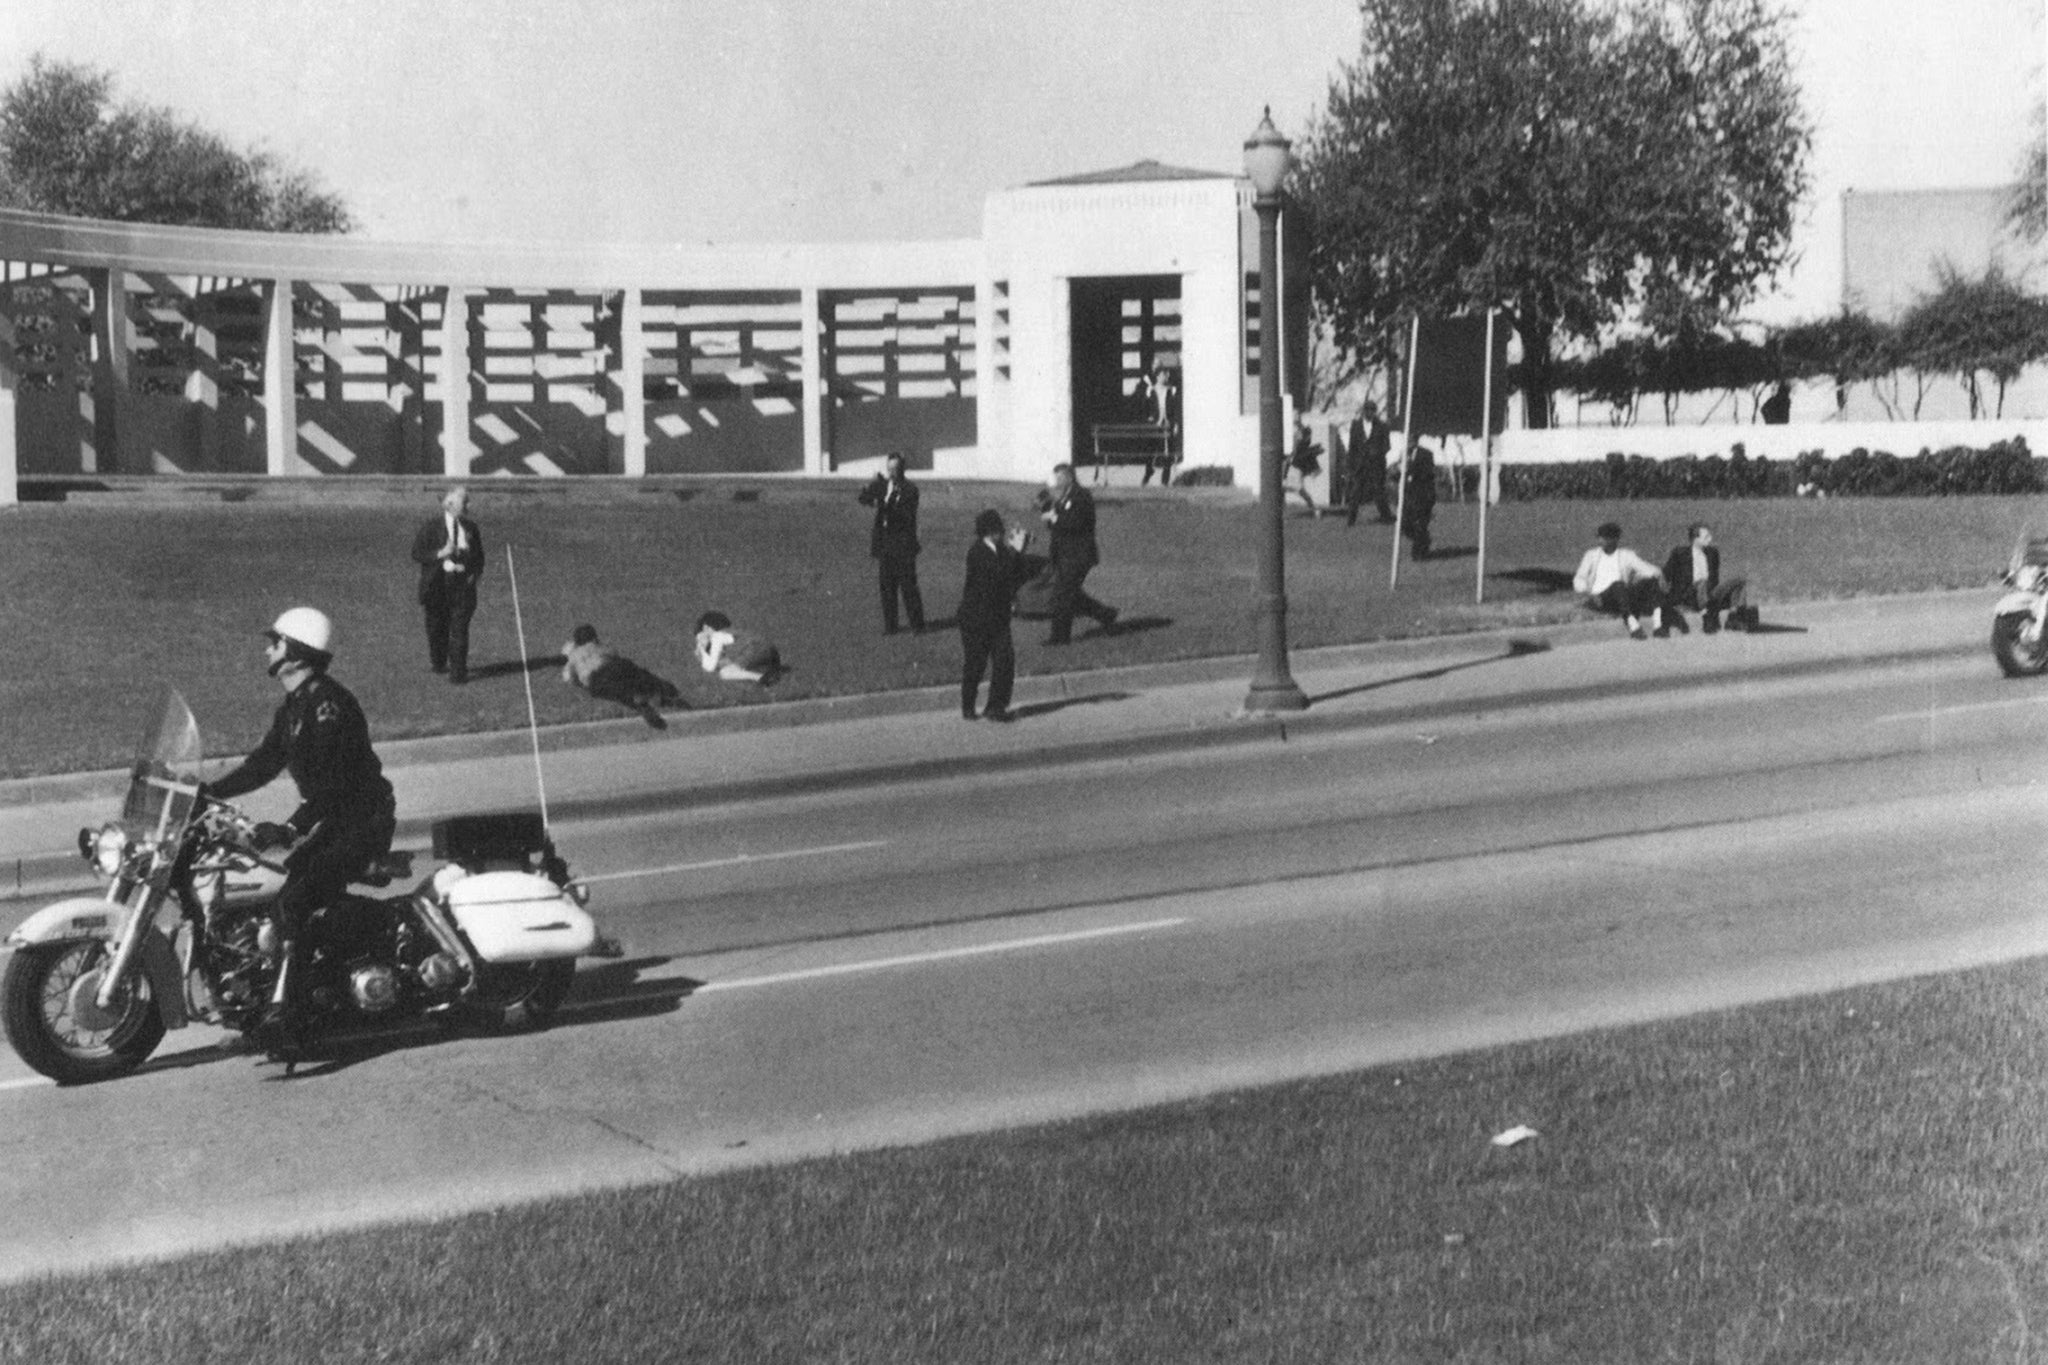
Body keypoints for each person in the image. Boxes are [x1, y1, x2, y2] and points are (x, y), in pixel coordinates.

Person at [206, 607, 397, 1052]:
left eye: (274, 642)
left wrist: (291, 828)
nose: (267, 649)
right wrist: (208, 793)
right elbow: (264, 763)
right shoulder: (294, 705)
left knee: (295, 900)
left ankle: (289, 1015)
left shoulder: (329, 706)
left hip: (362, 820)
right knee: (283, 892)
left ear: (295, 652)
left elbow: (336, 784)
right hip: (337, 818)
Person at [957, 508, 1034, 722]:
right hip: (976, 618)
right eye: (998, 530)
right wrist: (1015, 551)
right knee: (976, 663)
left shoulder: (1001, 550)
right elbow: (998, 575)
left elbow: (1017, 574)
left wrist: (1020, 551)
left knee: (1004, 661)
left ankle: (996, 706)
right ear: (990, 531)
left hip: (998, 617)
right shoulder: (977, 552)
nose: (1002, 533)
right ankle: (968, 706)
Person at [409, 486, 485, 684]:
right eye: (465, 502)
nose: (469, 506)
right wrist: (441, 553)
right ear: (450, 505)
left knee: (459, 630)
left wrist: (472, 575)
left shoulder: (471, 528)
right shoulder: (431, 527)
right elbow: (417, 553)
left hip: (462, 588)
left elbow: (479, 557)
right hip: (437, 587)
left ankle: (458, 673)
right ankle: (439, 661)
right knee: (437, 628)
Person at [1039, 463, 1120, 645]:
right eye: (1056, 477)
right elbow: (1057, 525)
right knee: (1071, 593)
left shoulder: (1081, 496)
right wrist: (1048, 513)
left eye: (1060, 477)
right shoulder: (1062, 497)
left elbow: (1077, 523)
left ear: (1070, 477)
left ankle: (1060, 637)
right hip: (1063, 554)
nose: (1057, 481)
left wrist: (1056, 518)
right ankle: (1106, 614)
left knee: (1063, 594)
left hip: (1079, 555)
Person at [561, 624, 685, 727]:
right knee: (641, 678)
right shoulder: (595, 646)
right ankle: (666, 691)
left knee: (623, 696)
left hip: (594, 683)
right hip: (612, 667)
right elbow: (612, 654)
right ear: (594, 638)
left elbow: (572, 679)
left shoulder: (572, 656)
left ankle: (643, 707)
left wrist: (585, 683)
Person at [856, 451, 925, 635]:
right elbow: (863, 499)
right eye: (890, 469)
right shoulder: (883, 486)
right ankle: (891, 626)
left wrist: (883, 504)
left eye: (895, 469)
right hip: (885, 543)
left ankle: (917, 625)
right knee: (887, 587)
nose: (892, 473)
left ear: (902, 469)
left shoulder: (910, 490)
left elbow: (904, 515)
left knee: (908, 587)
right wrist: (870, 487)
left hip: (903, 545)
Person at [1573, 521, 1669, 639]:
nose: (1600, 541)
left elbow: (1645, 569)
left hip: (1623, 596)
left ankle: (1658, 626)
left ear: (1614, 539)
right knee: (1618, 585)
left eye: (1604, 538)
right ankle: (1633, 626)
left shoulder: (1626, 555)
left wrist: (1659, 574)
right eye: (1600, 537)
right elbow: (1579, 578)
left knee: (1651, 581)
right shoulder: (1591, 555)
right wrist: (1589, 593)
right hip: (1601, 597)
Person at [1662, 523, 1758, 634]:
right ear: (1695, 539)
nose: (1710, 539)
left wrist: (1717, 594)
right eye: (1706, 536)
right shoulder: (1680, 553)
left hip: (1709, 592)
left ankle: (1734, 618)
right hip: (1688, 595)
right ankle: (1707, 617)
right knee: (1702, 582)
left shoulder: (1712, 553)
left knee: (1739, 581)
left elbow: (1715, 579)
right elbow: (1666, 574)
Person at [694, 610, 783, 684]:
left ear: (706, 628)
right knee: (734, 667)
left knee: (725, 673)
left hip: (753, 650)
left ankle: (761, 678)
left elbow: (710, 667)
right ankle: (767, 672)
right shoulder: (730, 632)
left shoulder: (717, 636)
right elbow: (725, 662)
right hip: (770, 650)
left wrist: (702, 649)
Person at [1344, 399, 1392, 527]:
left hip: (1376, 465)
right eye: (1367, 410)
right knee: (1355, 493)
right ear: (1363, 411)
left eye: (1372, 410)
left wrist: (1377, 452)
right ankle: (1351, 520)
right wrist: (1350, 466)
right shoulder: (1355, 425)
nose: (1369, 412)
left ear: (1375, 412)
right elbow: (1352, 447)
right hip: (1360, 465)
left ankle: (1386, 517)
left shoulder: (1382, 426)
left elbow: (1387, 446)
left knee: (1379, 491)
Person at [1140, 365, 1178, 487]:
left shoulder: (1171, 390)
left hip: (1167, 424)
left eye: (1166, 375)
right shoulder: (1151, 390)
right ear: (1157, 376)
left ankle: (1164, 480)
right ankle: (1148, 472)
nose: (1165, 377)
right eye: (1162, 375)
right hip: (1155, 425)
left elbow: (1175, 409)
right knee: (1151, 451)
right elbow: (1145, 407)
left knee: (1168, 452)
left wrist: (1175, 423)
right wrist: (1149, 417)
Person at [1400, 443, 1438, 560]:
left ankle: (1419, 553)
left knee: (1420, 524)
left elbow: (1428, 473)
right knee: (1405, 525)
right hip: (1409, 495)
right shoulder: (1405, 453)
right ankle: (1424, 540)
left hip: (1423, 494)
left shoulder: (1426, 454)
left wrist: (1412, 471)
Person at [1287, 416, 1322, 518]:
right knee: (1299, 489)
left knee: (1299, 489)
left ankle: (1315, 509)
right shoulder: (1299, 434)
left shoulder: (1303, 434)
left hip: (1297, 466)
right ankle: (1314, 509)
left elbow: (1299, 446)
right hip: (1295, 465)